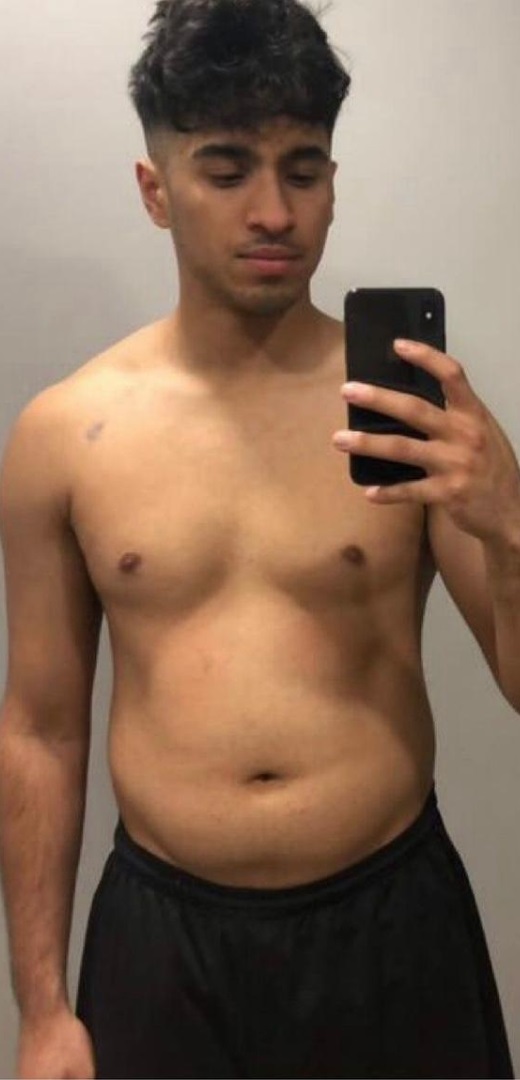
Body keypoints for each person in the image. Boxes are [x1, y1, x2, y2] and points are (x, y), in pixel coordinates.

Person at [0, 0, 519, 1076]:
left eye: (303, 170)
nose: (273, 211)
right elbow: (42, 730)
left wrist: (508, 525)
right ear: (157, 190)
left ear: (333, 183)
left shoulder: (415, 413)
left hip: (391, 925)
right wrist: (42, 1009)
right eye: (227, 170)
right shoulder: (64, 435)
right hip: (163, 940)